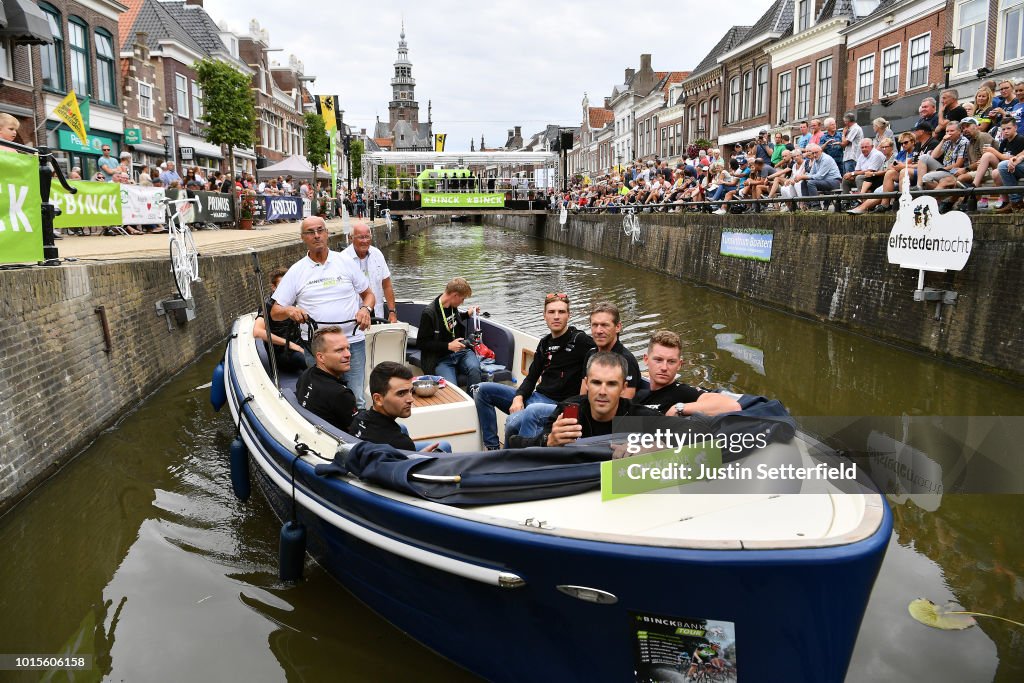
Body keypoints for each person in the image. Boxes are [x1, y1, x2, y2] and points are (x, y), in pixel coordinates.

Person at [271, 216, 375, 406]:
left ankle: (355, 434)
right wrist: (289, 311)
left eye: (320, 230)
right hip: (317, 347)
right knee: (323, 398)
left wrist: (365, 309)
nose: (317, 235)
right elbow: (275, 312)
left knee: (356, 398)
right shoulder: (296, 271)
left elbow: (369, 295)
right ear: (303, 238)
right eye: (310, 232)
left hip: (351, 342)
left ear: (327, 234)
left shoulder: (345, 262)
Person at [473, 292, 594, 450]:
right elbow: (531, 378)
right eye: (551, 312)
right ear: (544, 316)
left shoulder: (580, 340)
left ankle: (513, 461)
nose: (556, 317)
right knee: (482, 390)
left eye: (561, 312)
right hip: (536, 396)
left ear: (568, 316)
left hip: (556, 404)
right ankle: (492, 447)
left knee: (513, 422)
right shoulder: (544, 343)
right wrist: (519, 397)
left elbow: (603, 353)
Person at [532, 352, 661, 448]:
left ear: (623, 388)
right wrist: (548, 440)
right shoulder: (567, 412)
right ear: (587, 383)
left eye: (611, 384)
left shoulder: (639, 417)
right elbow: (531, 446)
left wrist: (655, 448)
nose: (602, 392)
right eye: (596, 383)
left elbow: (679, 437)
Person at [349, 361, 450, 452]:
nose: (411, 399)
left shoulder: (359, 418)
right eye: (401, 393)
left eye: (411, 391)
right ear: (378, 399)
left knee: (402, 428)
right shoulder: (402, 444)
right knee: (444, 446)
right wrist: (415, 459)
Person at [635, 331, 741, 416]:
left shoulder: (682, 392)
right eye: (658, 360)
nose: (664, 368)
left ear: (679, 364)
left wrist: (679, 408)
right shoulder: (640, 394)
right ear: (646, 359)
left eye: (671, 362)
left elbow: (732, 406)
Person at [416, 277, 482, 387]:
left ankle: (473, 401)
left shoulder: (452, 306)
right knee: (452, 387)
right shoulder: (429, 313)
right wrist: (448, 346)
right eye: (462, 298)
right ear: (455, 295)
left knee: (475, 370)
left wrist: (467, 314)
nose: (462, 302)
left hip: (462, 352)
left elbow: (449, 320)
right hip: (441, 359)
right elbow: (421, 343)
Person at [295, 326, 359, 432]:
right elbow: (356, 433)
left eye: (348, 348)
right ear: (321, 357)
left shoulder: (306, 375)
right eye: (339, 350)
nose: (348, 354)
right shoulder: (341, 395)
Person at [253, 266, 308, 372]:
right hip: (281, 352)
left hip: (299, 344)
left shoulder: (295, 300)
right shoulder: (267, 305)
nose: (286, 289)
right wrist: (290, 344)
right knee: (309, 362)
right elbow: (257, 332)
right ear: (273, 287)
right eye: (282, 286)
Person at [342, 222, 398, 322]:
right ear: (351, 238)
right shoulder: (343, 259)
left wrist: (392, 312)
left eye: (367, 237)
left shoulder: (377, 254)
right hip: (353, 317)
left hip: (377, 314)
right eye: (360, 237)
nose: (365, 241)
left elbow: (387, 285)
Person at [916, 120, 969, 190]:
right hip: (945, 168)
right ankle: (919, 187)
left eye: (952, 131)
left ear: (959, 131)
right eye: (947, 131)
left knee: (926, 177)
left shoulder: (963, 142)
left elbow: (958, 164)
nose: (949, 133)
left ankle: (943, 193)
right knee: (924, 157)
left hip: (955, 171)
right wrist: (943, 141)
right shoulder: (948, 141)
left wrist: (940, 170)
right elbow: (934, 156)